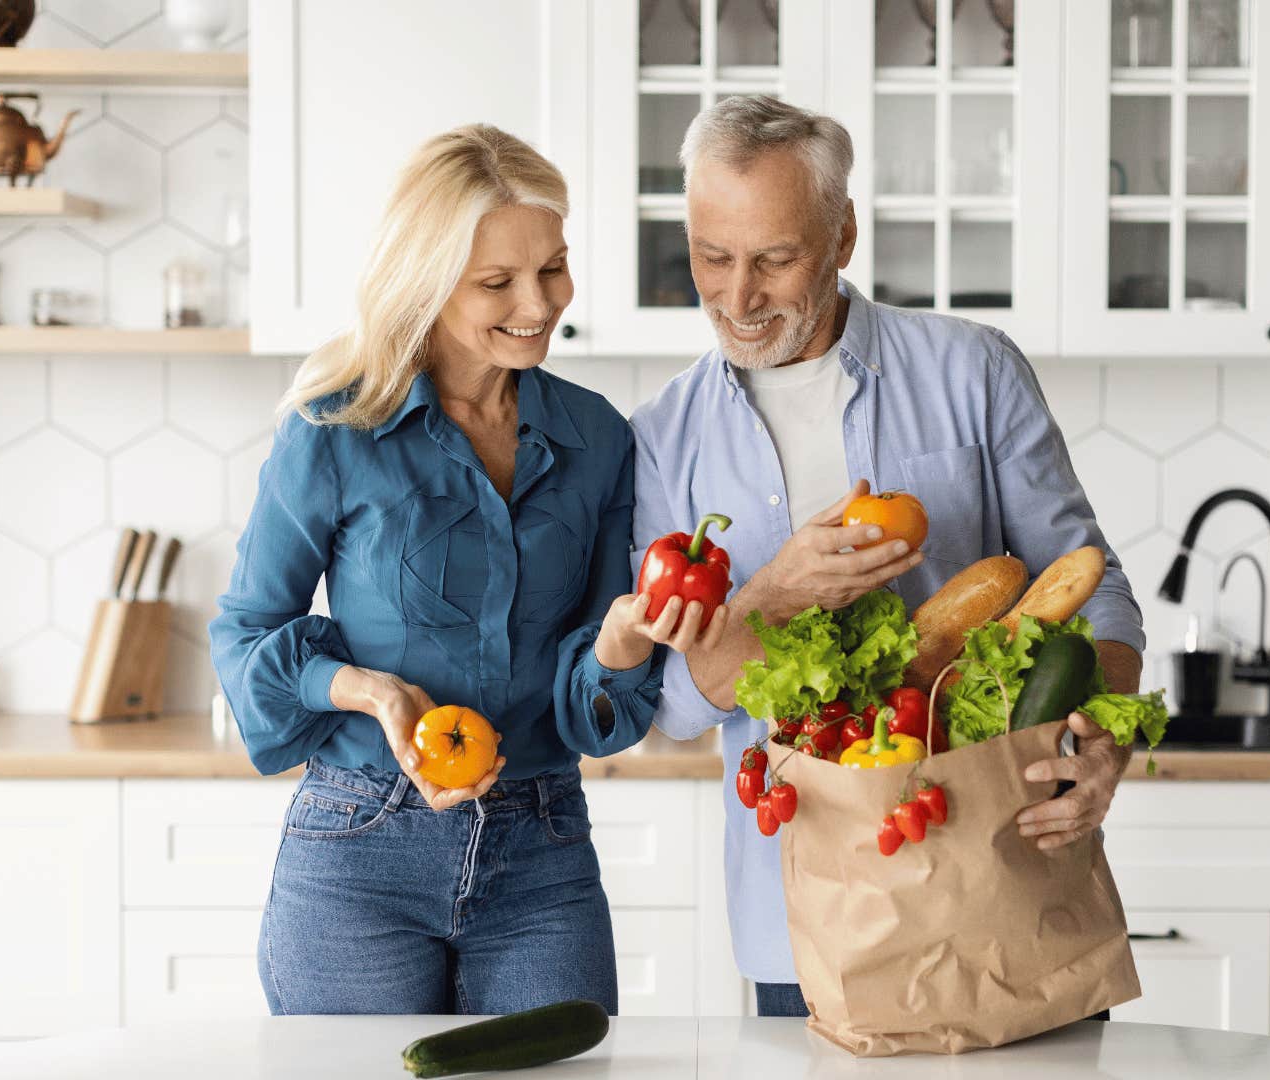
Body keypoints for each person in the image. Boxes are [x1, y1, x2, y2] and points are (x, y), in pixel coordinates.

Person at [630, 96, 1148, 1018]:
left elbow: (1091, 586)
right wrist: (775, 593)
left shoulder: (973, 371)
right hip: (813, 908)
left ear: (842, 237)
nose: (738, 296)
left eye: (775, 259)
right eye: (713, 256)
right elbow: (668, 702)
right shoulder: (664, 437)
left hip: (1003, 873)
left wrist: (1103, 738)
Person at [210, 124, 724, 1017]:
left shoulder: (598, 437)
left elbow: (595, 710)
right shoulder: (334, 430)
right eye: (498, 282)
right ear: (429, 281)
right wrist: (369, 690)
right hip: (359, 845)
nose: (540, 301)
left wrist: (617, 643)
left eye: (553, 268)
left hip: (543, 848)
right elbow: (245, 638)